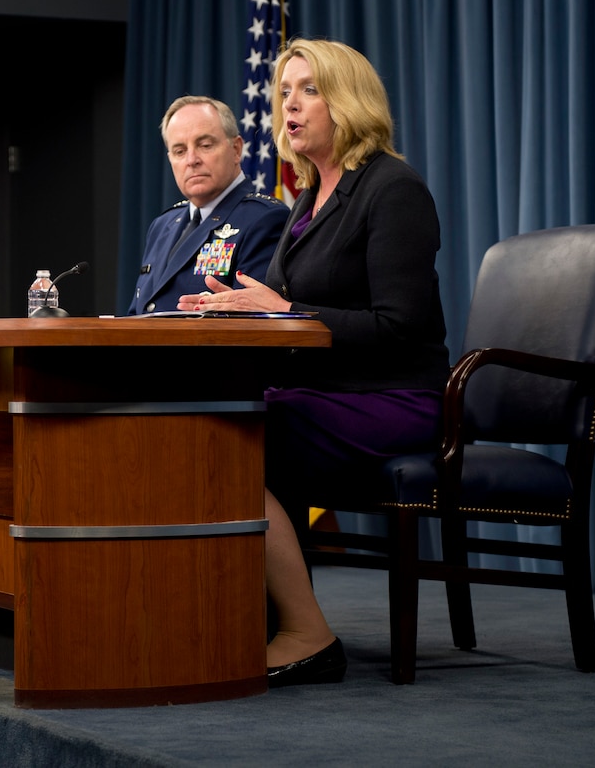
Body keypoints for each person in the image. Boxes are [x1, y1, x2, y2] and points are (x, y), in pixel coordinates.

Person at [178, 39, 451, 687]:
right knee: (197, 420)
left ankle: (306, 634)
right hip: (326, 394)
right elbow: (279, 308)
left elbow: (400, 325)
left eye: (309, 90)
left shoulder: (393, 189)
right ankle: (239, 620)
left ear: (349, 99)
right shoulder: (308, 199)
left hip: (395, 400)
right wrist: (232, 311)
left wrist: (283, 311)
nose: (289, 106)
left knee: (227, 436)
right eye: (283, 92)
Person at [125, 95, 289, 315]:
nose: (191, 159)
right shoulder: (162, 225)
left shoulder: (265, 219)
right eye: (180, 151)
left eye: (205, 145)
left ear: (236, 149)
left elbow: (253, 325)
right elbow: (138, 313)